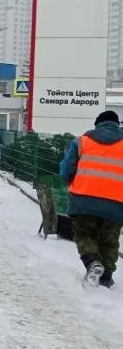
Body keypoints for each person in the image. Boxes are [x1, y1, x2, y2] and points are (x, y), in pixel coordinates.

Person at [59, 110, 123, 288]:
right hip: (117, 204)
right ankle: (106, 278)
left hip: (84, 199)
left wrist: (72, 183)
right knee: (110, 239)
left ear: (98, 124)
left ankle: (92, 262)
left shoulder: (82, 141)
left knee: (85, 234)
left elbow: (66, 170)